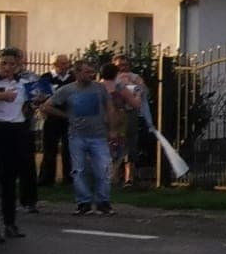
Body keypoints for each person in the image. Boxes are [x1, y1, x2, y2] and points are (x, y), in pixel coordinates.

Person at [44, 60, 114, 216]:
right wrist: (66, 116)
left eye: (92, 72)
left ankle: (103, 201)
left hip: (98, 134)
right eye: (87, 72)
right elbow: (47, 106)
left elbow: (109, 107)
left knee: (103, 168)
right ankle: (83, 202)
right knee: (79, 169)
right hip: (77, 135)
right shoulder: (67, 90)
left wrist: (112, 129)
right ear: (77, 73)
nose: (91, 75)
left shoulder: (99, 88)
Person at [0, 49, 29, 241]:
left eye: (12, 64)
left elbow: (30, 102)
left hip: (16, 129)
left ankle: (10, 223)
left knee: (10, 180)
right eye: (4, 63)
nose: (8, 68)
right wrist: (1, 96)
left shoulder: (23, 83)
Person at [34, 54, 73, 189]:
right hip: (51, 117)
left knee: (69, 148)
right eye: (62, 63)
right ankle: (46, 178)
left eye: (67, 63)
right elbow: (40, 97)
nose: (65, 66)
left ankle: (69, 177)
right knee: (49, 147)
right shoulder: (46, 78)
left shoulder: (72, 78)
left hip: (70, 117)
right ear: (55, 64)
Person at [111, 54, 149, 187]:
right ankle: (114, 176)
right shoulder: (110, 77)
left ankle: (129, 177)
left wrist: (136, 88)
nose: (123, 68)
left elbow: (143, 90)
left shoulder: (134, 77)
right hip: (113, 114)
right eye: (119, 65)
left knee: (131, 143)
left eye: (125, 65)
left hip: (130, 113)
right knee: (114, 143)